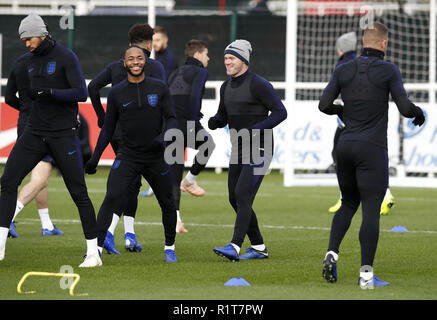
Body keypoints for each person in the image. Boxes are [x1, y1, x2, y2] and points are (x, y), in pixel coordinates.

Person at [318, 22, 425, 289]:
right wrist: (419, 112)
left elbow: (323, 105)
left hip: (345, 146)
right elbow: (404, 107)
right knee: (371, 211)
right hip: (372, 149)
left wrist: (341, 111)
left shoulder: (343, 68)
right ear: (384, 43)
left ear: (363, 43)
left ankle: (332, 252)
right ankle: (366, 274)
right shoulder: (389, 70)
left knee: (347, 204)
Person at [0, 13, 100, 267]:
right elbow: (20, 97)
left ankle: (93, 254)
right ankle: (0, 245)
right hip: (34, 133)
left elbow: (81, 93)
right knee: (8, 181)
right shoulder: (27, 62)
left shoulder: (67, 57)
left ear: (41, 34)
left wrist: (51, 92)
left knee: (78, 192)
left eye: (29, 38)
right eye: (23, 40)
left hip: (63, 135)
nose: (26, 44)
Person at [85, 46, 178, 263]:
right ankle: (95, 252)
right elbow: (108, 129)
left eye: (139, 58)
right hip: (128, 156)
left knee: (167, 203)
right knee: (111, 198)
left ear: (145, 61)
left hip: (155, 157)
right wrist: (95, 158)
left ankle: (170, 247)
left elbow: (172, 118)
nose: (135, 62)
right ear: (124, 63)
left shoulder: (160, 87)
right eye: (130, 59)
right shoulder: (117, 92)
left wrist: (163, 137)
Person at [208, 39, 287, 261]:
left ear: (243, 59)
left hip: (260, 147)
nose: (227, 62)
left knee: (243, 194)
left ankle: (235, 246)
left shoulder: (258, 84)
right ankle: (259, 247)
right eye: (225, 58)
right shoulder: (226, 87)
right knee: (234, 198)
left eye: (231, 58)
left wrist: (257, 129)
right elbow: (222, 115)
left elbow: (281, 112)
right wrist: (214, 121)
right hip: (238, 147)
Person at [328, 31, 395, 216]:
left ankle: (346, 197)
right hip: (368, 124)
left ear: (340, 48)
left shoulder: (343, 66)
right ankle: (385, 194)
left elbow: (327, 101)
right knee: (373, 162)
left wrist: (341, 111)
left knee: (340, 157)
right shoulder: (360, 62)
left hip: (348, 124)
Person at [5, 45, 64, 238]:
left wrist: (24, 109)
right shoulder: (50, 62)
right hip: (44, 126)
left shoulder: (19, 62)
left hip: (25, 125)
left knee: (38, 179)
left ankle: (46, 224)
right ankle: (7, 219)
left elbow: (8, 98)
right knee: (41, 179)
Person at [167, 39, 215, 233]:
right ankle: (190, 180)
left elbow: (169, 97)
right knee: (208, 144)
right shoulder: (201, 72)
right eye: (206, 54)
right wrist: (195, 120)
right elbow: (195, 97)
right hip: (186, 123)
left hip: (170, 125)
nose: (208, 58)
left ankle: (176, 220)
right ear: (197, 55)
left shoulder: (173, 73)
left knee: (173, 176)